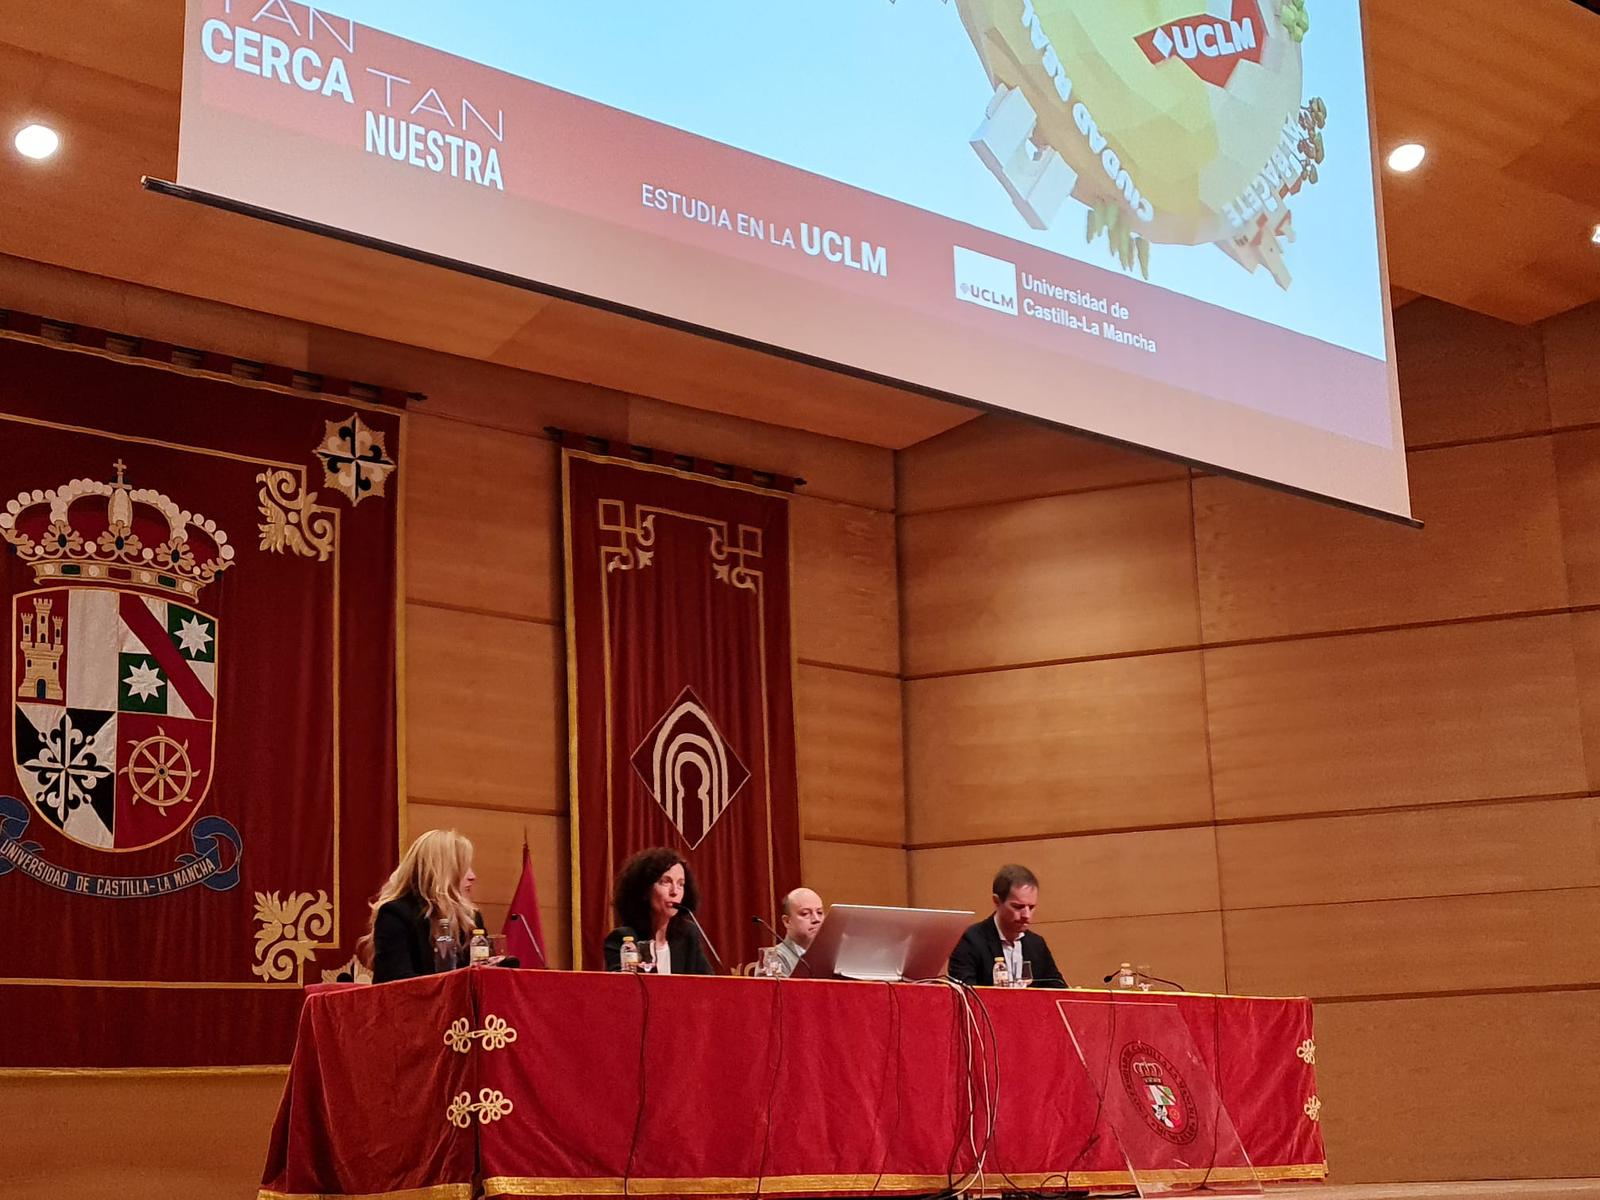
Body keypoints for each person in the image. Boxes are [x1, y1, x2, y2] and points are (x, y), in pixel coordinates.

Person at [364, 829, 483, 984]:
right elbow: (397, 983)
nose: (472, 876)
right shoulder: (395, 914)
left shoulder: (471, 919)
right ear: (439, 872)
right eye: (464, 868)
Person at [948, 864, 1066, 988]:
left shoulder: (1037, 945)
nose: (1026, 915)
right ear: (997, 901)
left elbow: (1058, 990)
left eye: (1031, 907)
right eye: (1018, 907)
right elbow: (965, 993)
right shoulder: (970, 941)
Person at [602, 847, 712, 975]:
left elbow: (708, 981)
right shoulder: (623, 940)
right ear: (645, 890)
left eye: (681, 884)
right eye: (666, 882)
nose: (674, 891)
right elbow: (619, 985)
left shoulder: (687, 935)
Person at [772, 886, 824, 976]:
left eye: (819, 912)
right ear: (787, 921)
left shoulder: (834, 956)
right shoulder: (774, 958)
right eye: (805, 913)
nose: (816, 919)